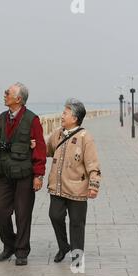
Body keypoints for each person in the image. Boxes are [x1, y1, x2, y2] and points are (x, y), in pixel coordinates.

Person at [0, 82, 46, 266]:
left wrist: (38, 175)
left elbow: (40, 148)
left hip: (24, 175)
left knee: (22, 214)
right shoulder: (1, 118)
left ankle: (21, 251)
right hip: (3, 174)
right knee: (0, 211)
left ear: (18, 99)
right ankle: (9, 245)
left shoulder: (32, 120)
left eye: (7, 93)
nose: (4, 95)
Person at [46, 98, 101, 265]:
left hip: (78, 189)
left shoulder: (86, 137)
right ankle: (63, 247)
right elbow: (47, 150)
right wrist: (34, 146)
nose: (62, 116)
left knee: (77, 224)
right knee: (54, 216)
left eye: (65, 113)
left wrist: (93, 186)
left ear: (75, 118)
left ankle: (77, 257)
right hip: (57, 187)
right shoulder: (57, 134)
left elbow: (93, 164)